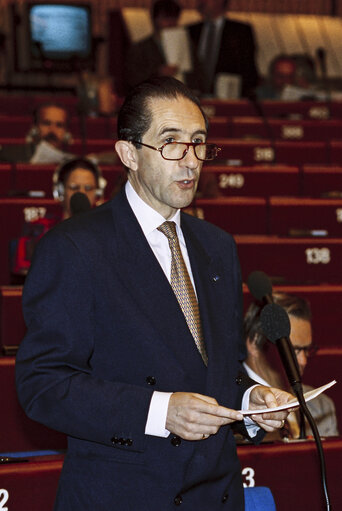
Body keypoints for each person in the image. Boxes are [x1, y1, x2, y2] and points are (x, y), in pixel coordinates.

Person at [16, 76, 293, 511]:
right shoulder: (75, 247)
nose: (190, 162)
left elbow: (218, 369)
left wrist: (249, 398)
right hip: (124, 494)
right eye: (171, 143)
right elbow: (43, 385)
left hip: (215, 494)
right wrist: (158, 410)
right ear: (128, 153)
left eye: (199, 143)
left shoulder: (217, 246)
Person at [243, 292, 339, 438]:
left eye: (306, 350)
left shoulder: (321, 408)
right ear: (255, 343)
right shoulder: (228, 407)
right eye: (293, 350)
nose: (303, 361)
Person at [10, 157, 106, 279]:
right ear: (60, 192)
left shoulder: (106, 233)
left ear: (97, 194)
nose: (81, 194)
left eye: (88, 188)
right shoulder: (37, 230)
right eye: (74, 188)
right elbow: (24, 277)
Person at [188, 0, 259, 97]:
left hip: (229, 97)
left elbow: (248, 68)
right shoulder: (190, 30)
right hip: (194, 96)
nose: (201, 1)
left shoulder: (240, 31)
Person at [124, 0, 198, 90]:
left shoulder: (187, 46)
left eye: (174, 19)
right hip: (153, 97)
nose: (170, 23)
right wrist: (157, 73)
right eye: (166, 18)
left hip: (183, 95)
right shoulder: (140, 48)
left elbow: (197, 76)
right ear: (154, 19)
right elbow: (132, 80)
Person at [0, 103, 74, 164]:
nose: (52, 130)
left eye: (59, 125)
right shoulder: (8, 156)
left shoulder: (73, 162)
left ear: (66, 133)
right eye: (46, 123)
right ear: (34, 128)